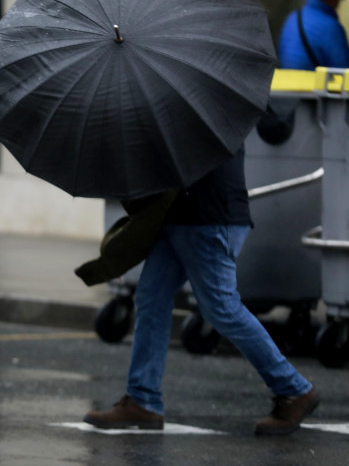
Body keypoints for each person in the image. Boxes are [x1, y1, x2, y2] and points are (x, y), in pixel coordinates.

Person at [83, 148, 319, 436]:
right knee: (151, 300)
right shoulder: (176, 107)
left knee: (221, 307)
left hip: (209, 218)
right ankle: (142, 400)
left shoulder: (208, 109)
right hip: (175, 217)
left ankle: (294, 390)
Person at [278, 0, 349, 70]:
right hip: (312, 81)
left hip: (286, 81)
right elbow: (347, 75)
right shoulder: (330, 27)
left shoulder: (292, 18)